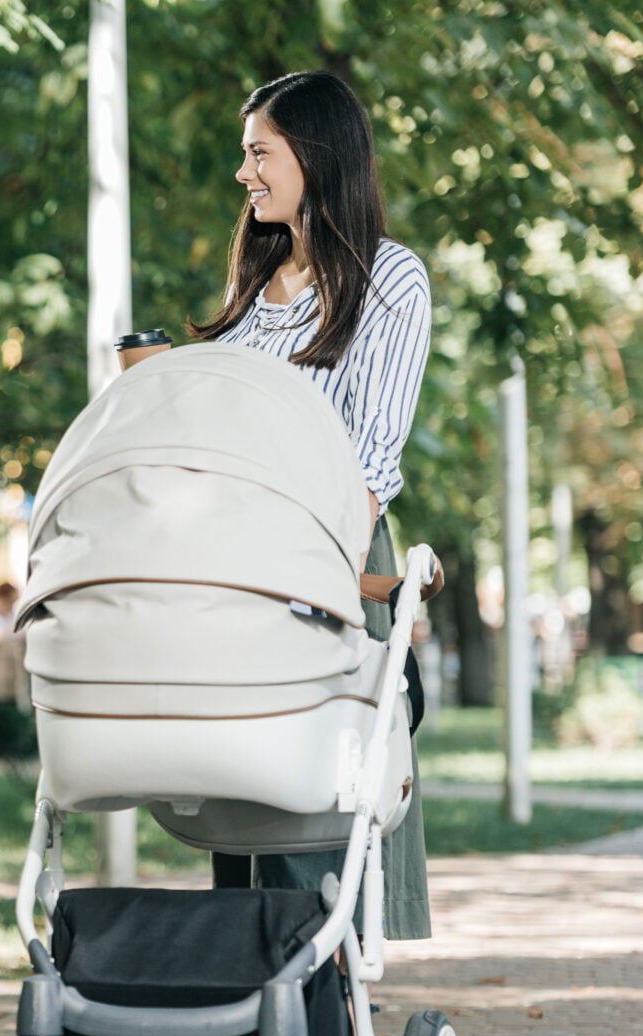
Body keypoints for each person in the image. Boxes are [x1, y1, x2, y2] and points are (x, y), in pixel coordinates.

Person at [188, 70, 433, 939]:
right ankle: (253, 1030)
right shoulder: (256, 291)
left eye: (260, 153)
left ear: (316, 156)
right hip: (239, 573)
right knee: (244, 818)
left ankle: (323, 1029)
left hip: (331, 560)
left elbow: (369, 459)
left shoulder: (388, 280)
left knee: (313, 818)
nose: (244, 172)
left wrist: (316, 585)